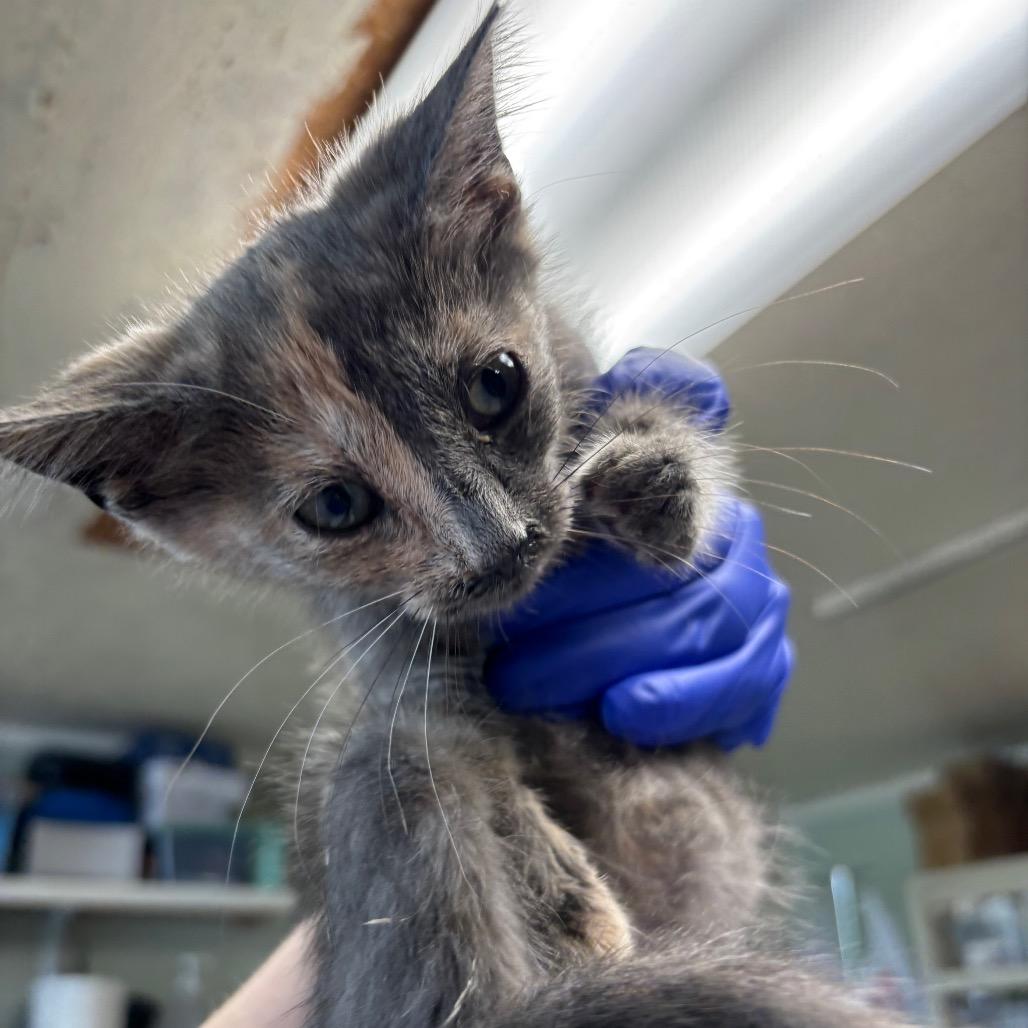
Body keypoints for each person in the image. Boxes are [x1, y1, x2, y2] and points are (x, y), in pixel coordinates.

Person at [202, 351, 793, 1028]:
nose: (488, 542)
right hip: (574, 905)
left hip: (672, 856)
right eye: (341, 503)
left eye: (491, 388)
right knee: (387, 764)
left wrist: (661, 463)